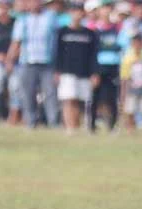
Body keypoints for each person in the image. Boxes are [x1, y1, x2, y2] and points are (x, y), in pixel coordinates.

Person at [7, 0, 60, 129]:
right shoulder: (23, 20)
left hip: (47, 62)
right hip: (27, 61)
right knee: (27, 94)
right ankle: (30, 122)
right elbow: (16, 42)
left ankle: (53, 123)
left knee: (50, 93)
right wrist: (10, 59)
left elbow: (58, 40)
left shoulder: (51, 17)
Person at [55, 2, 98, 135]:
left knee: (80, 100)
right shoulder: (62, 31)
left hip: (84, 72)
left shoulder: (90, 34)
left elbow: (93, 55)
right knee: (68, 99)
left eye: (79, 11)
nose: (77, 14)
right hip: (67, 71)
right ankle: (70, 128)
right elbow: (57, 53)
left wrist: (95, 73)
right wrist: (57, 71)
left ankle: (77, 126)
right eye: (74, 11)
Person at [88, 0, 121, 132]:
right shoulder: (93, 28)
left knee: (112, 97)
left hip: (113, 66)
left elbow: (121, 46)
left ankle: (112, 125)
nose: (106, 11)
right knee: (94, 97)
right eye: (104, 8)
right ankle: (92, 125)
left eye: (108, 8)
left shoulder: (117, 28)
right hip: (98, 66)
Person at [120, 34, 142, 133]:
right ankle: (131, 129)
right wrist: (123, 92)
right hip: (131, 88)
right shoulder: (127, 57)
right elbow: (124, 76)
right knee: (130, 110)